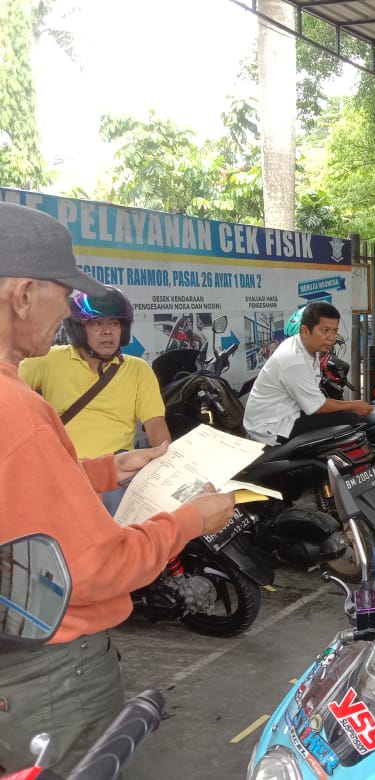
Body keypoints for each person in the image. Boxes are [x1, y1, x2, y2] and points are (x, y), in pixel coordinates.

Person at [0, 203, 236, 775]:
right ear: (24, 294)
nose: (68, 311)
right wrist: (191, 520)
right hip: (46, 673)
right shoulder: (18, 409)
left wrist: (107, 469)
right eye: (65, 295)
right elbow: (96, 568)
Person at [19, 285, 171, 514]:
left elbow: (156, 424)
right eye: (97, 323)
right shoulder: (46, 361)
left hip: (117, 471)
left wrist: (168, 467)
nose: (107, 331)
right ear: (79, 329)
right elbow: (9, 393)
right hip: (63, 470)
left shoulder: (138, 370)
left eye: (114, 323)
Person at [243, 301, 373, 445]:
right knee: (353, 420)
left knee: (345, 418)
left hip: (288, 412)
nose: (331, 337)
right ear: (305, 330)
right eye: (325, 330)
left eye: (334, 331)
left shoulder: (307, 347)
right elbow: (320, 407)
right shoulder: (293, 360)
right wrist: (354, 405)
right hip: (272, 427)